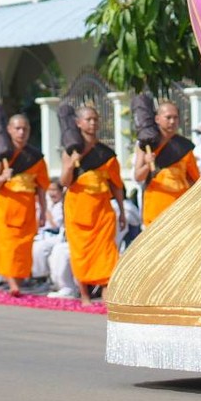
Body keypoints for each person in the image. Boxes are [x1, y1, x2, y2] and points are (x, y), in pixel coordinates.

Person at [61, 104, 125, 300]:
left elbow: (116, 185)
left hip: (102, 211)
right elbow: (65, 182)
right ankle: (84, 294)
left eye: (95, 119)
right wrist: (71, 165)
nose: (92, 123)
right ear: (78, 123)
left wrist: (122, 211)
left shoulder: (106, 154)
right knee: (81, 252)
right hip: (77, 210)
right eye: (88, 119)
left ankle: (106, 289)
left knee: (107, 251)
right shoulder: (70, 152)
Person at [0, 115, 49, 296]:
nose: (21, 132)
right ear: (9, 129)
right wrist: (3, 176)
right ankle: (12, 283)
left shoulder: (36, 157)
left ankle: (18, 281)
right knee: (8, 247)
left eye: (25, 129)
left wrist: (43, 211)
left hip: (27, 208)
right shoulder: (1, 154)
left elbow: (41, 188)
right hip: (6, 207)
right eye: (17, 128)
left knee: (23, 248)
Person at [134, 99, 200, 228]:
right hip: (155, 210)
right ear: (158, 119)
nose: (172, 121)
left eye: (175, 118)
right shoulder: (146, 145)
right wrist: (148, 164)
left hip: (180, 210)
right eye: (168, 117)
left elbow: (194, 180)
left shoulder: (184, 147)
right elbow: (138, 177)